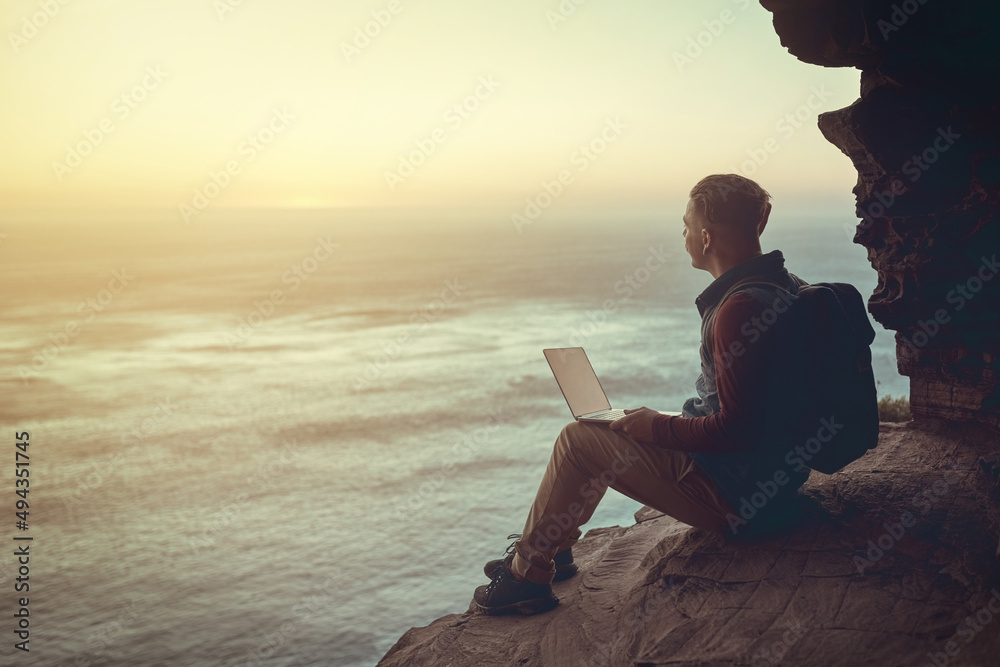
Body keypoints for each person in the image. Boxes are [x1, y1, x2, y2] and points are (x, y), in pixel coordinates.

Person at [473, 174, 811, 616]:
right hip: (775, 479)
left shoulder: (738, 308)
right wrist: (656, 425)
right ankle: (553, 549)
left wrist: (657, 426)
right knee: (606, 426)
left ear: (706, 237)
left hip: (738, 497)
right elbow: (754, 409)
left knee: (578, 440)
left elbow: (737, 428)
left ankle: (526, 578)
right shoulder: (787, 285)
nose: (684, 235)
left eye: (686, 225)